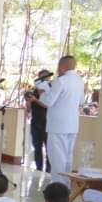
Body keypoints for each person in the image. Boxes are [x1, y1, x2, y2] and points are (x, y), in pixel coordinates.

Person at [28, 56, 85, 184]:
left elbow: (48, 101)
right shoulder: (79, 81)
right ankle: (66, 185)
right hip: (73, 125)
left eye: (58, 67)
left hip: (58, 125)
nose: (58, 70)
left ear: (62, 66)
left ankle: (58, 187)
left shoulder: (61, 81)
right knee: (68, 157)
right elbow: (81, 101)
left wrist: (43, 91)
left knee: (57, 158)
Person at [27, 69, 53, 171]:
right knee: (37, 147)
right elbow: (28, 110)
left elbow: (47, 105)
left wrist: (35, 100)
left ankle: (48, 170)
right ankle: (38, 168)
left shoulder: (51, 90)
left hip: (47, 123)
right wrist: (29, 102)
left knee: (48, 148)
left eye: (44, 77)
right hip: (35, 122)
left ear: (48, 78)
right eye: (40, 77)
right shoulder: (34, 91)